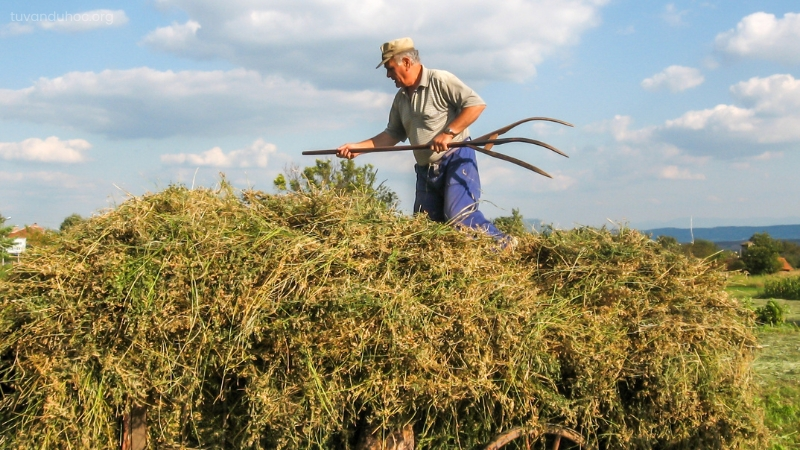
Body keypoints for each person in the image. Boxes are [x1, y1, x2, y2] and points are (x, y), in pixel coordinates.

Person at [337, 37, 506, 240]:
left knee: (459, 217)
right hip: (426, 171)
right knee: (424, 230)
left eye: (390, 68)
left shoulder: (440, 80)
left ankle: (504, 243)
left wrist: (448, 133)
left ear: (406, 62)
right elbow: (392, 134)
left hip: (456, 160)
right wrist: (358, 148)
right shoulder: (400, 99)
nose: (389, 75)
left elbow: (476, 105)